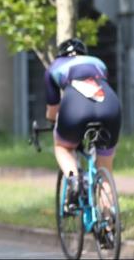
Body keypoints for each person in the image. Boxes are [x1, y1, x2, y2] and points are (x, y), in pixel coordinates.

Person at [45, 38, 122, 210]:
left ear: (61, 55)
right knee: (105, 169)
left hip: (75, 108)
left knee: (62, 147)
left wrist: (55, 124)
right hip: (110, 106)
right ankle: (109, 224)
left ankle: (74, 180)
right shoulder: (98, 63)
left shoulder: (54, 66)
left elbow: (52, 110)